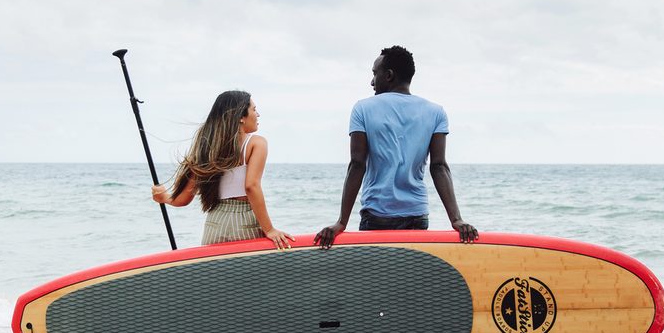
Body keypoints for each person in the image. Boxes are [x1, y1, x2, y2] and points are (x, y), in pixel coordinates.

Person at [314, 45, 478, 249]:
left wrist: (341, 223)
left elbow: (357, 164)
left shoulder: (363, 109)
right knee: (410, 279)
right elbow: (439, 167)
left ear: (389, 75)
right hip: (417, 214)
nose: (371, 81)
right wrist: (456, 220)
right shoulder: (436, 112)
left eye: (375, 74)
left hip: (376, 215)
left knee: (376, 279)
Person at [152, 90, 294, 249]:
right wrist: (269, 229)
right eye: (254, 109)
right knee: (249, 274)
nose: (258, 114)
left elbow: (182, 199)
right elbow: (251, 186)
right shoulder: (256, 143)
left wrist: (164, 197)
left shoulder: (206, 148)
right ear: (241, 116)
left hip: (215, 222)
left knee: (215, 274)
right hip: (244, 221)